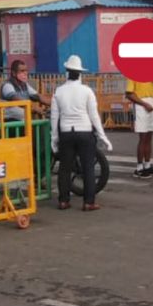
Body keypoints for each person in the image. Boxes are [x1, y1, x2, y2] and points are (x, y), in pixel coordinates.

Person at [50, 55, 112, 211]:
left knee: (64, 168)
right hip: (84, 132)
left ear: (67, 72)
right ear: (80, 74)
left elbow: (54, 117)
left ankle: (63, 201)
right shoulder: (87, 91)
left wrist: (54, 138)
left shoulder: (59, 92)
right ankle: (88, 202)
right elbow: (94, 116)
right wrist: (103, 136)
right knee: (88, 168)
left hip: (66, 132)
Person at [125, 76, 153, 179]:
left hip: (152, 101)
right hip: (140, 104)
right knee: (143, 137)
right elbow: (129, 94)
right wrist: (144, 104)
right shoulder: (133, 74)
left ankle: (147, 165)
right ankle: (139, 168)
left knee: (149, 137)